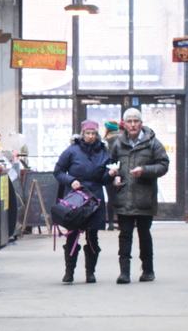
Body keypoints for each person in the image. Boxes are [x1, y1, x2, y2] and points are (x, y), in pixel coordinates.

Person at [106, 107, 170, 284]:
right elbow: (112, 164)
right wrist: (115, 176)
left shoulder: (152, 143)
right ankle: (124, 272)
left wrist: (145, 170)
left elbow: (163, 165)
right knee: (124, 234)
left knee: (144, 234)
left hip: (144, 196)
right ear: (124, 124)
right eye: (129, 122)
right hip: (124, 196)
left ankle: (148, 270)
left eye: (136, 121)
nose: (133, 125)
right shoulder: (118, 143)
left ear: (141, 124)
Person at [54, 121, 109, 284]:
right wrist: (71, 181)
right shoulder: (71, 151)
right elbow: (58, 171)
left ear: (97, 135)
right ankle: (69, 272)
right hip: (75, 198)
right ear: (82, 134)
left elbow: (104, 178)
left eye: (93, 133)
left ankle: (90, 273)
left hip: (95, 198)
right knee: (72, 235)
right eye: (87, 133)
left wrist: (111, 174)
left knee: (93, 236)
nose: (90, 137)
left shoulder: (104, 152)